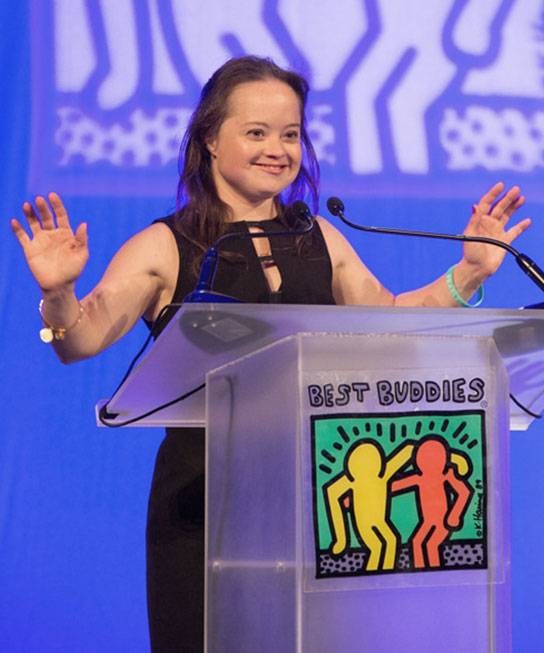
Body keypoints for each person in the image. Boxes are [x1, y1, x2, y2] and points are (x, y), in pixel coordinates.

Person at [10, 55, 530, 651]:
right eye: (256, 132)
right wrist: (57, 293)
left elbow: (392, 325)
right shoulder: (165, 244)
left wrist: (467, 273)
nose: (278, 149)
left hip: (313, 515)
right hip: (203, 510)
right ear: (208, 138)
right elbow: (78, 341)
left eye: (290, 134)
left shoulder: (319, 236)